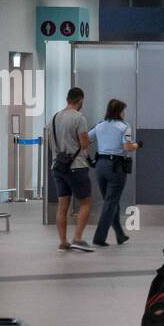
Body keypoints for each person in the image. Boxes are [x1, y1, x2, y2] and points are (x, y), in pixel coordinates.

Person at [88, 99, 140, 247]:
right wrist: (138, 145)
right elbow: (128, 147)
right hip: (115, 167)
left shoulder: (100, 125)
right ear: (119, 112)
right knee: (111, 202)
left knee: (110, 201)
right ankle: (99, 237)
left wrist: (87, 158)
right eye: (123, 110)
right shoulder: (124, 127)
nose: (124, 113)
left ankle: (120, 234)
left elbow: (86, 140)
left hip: (100, 166)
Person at [50, 87, 95, 252]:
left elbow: (51, 143)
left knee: (63, 205)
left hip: (58, 166)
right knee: (85, 202)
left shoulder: (54, 118)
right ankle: (78, 238)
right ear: (80, 100)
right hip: (76, 167)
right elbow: (83, 144)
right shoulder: (79, 118)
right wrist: (85, 143)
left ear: (67, 99)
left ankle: (63, 241)